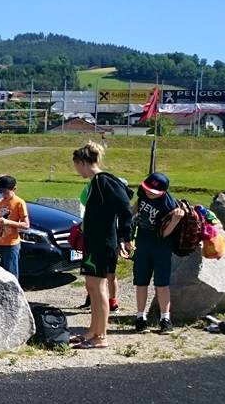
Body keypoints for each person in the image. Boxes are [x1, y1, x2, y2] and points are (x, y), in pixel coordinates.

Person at [71, 142, 133, 350]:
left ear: (82, 163)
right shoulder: (94, 183)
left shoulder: (105, 181)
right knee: (91, 286)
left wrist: (126, 236)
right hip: (92, 242)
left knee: (99, 289)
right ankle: (92, 331)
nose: (76, 170)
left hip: (103, 243)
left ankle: (101, 336)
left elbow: (125, 208)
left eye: (76, 165)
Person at [132, 172, 184, 335]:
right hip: (142, 243)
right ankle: (140, 317)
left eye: (153, 192)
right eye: (147, 188)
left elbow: (164, 234)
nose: (148, 193)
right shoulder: (143, 194)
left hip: (161, 247)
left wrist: (175, 220)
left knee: (162, 284)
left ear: (162, 192)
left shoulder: (168, 204)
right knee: (141, 281)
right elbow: (134, 208)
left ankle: (165, 319)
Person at [0, 175, 29, 279]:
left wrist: (7, 222)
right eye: (1, 192)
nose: (3, 194)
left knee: (11, 275)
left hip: (11, 244)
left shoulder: (19, 203)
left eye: (6, 192)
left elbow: (26, 225)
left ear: (14, 189)